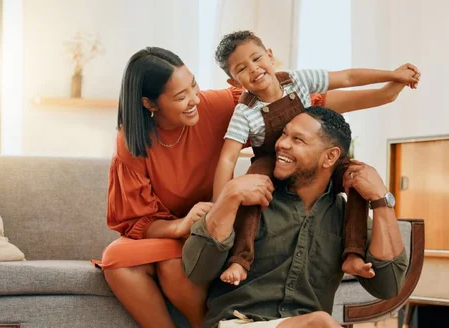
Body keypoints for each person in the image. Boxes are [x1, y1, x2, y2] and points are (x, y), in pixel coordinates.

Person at [100, 46, 414, 328]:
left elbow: (300, 103)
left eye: (193, 85)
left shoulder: (221, 105)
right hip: (194, 224)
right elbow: (136, 220)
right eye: (181, 96)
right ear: (149, 103)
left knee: (172, 264)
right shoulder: (134, 143)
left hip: (212, 221)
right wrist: (216, 205)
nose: (194, 99)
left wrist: (388, 91)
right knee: (119, 259)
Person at [211, 30, 419, 286]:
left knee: (357, 177)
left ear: (270, 55)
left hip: (314, 149)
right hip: (271, 158)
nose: (253, 69)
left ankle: (352, 253)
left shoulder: (298, 80)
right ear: (234, 82)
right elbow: (227, 159)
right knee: (251, 192)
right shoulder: (245, 111)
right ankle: (240, 259)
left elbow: (348, 77)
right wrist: (219, 204)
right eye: (241, 69)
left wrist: (393, 75)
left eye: (256, 58)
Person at [183, 106, 408, 328]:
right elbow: (197, 270)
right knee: (319, 322)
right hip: (237, 324)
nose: (282, 144)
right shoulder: (249, 198)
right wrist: (229, 196)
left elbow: (388, 286)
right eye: (284, 134)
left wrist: (381, 200)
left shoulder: (347, 220)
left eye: (298, 140)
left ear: (330, 157)